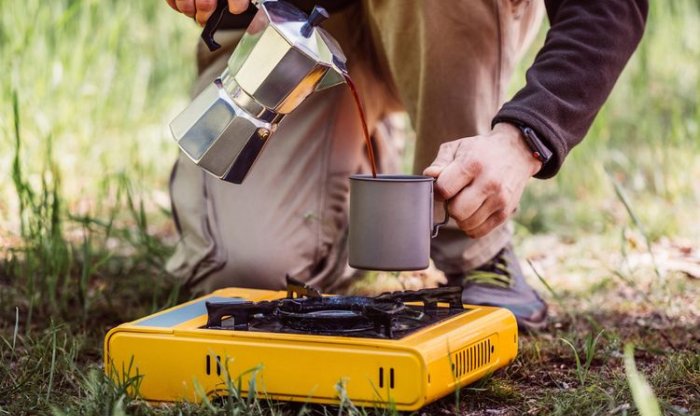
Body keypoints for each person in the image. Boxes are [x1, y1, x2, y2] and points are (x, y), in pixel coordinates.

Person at [164, 0, 648, 329]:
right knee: (248, 272)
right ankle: (363, 152)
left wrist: (526, 138)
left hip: (449, 20)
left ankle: (475, 248)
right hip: (299, 37)